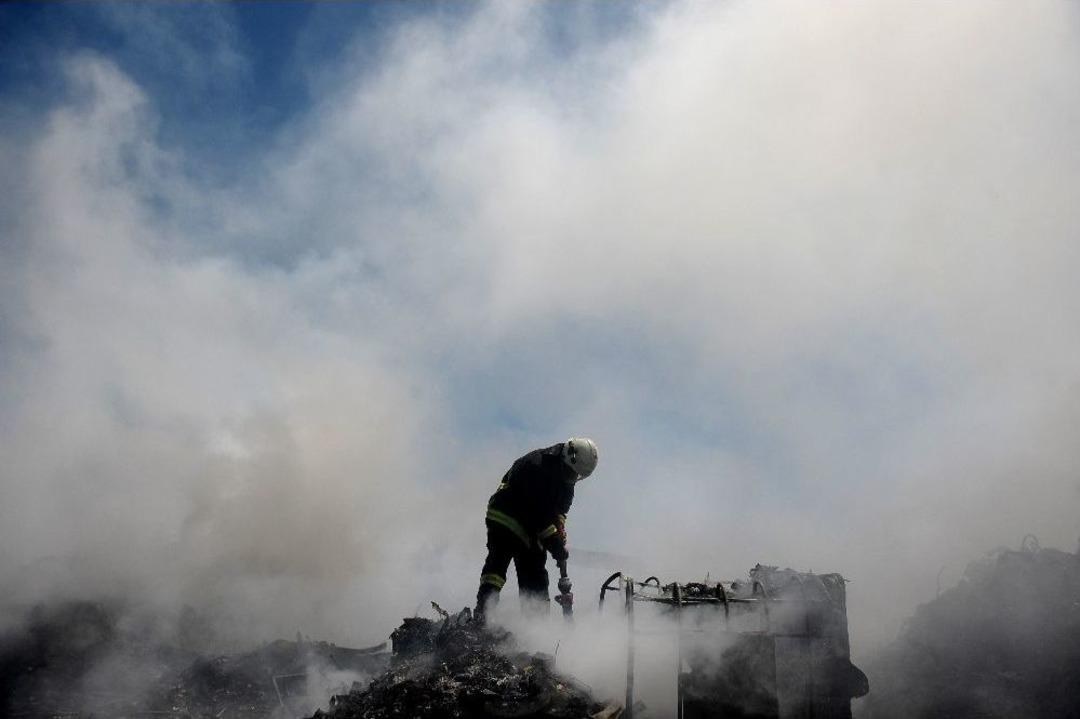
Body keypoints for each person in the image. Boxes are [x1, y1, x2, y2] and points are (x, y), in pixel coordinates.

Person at [474, 438, 599, 621]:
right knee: (498, 565)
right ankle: (483, 616)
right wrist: (556, 546)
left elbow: (560, 511)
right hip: (506, 517)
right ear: (566, 458)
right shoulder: (535, 466)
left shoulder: (567, 478)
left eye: (576, 476)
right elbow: (539, 516)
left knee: (535, 575)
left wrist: (560, 530)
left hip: (532, 526)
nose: (572, 478)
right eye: (572, 473)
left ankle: (535, 628)